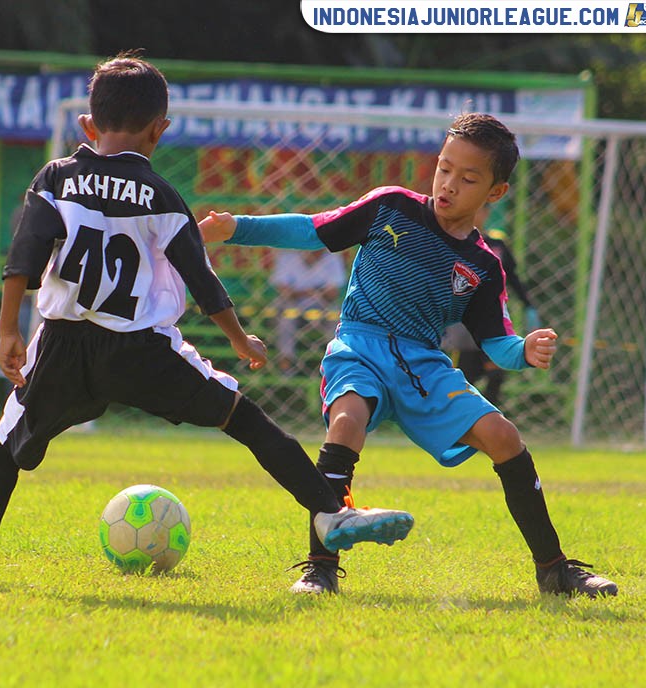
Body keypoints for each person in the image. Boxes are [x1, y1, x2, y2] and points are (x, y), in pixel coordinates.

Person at [0, 52, 414, 587]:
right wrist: (240, 338)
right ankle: (328, 511)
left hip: (63, 345)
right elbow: (201, 279)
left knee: (5, 448)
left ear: (87, 125)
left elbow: (23, 254)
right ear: (160, 130)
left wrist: (7, 331)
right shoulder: (161, 195)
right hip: (141, 351)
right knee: (243, 418)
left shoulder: (56, 178)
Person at [199, 112, 617, 598]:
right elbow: (314, 230)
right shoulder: (391, 206)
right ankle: (320, 569)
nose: (449, 184)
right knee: (347, 421)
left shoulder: (484, 264)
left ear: (495, 193)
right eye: (444, 168)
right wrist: (236, 227)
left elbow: (495, 341)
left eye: (468, 177)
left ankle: (555, 570)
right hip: (359, 344)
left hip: (423, 363)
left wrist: (523, 350)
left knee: (504, 436)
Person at [445, 204, 538, 405]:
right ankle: (462, 419)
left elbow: (512, 278)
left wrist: (529, 306)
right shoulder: (452, 242)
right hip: (462, 327)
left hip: (491, 322)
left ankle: (487, 417)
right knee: (464, 377)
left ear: (487, 213)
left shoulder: (497, 246)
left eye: (480, 209)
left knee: (496, 375)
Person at [270, 248, 346, 375]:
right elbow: (284, 291)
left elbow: (333, 293)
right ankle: (285, 363)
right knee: (287, 318)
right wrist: (313, 292)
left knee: (336, 317)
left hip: (321, 305)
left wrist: (302, 292)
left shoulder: (332, 258)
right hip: (293, 305)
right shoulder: (288, 256)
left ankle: (335, 362)